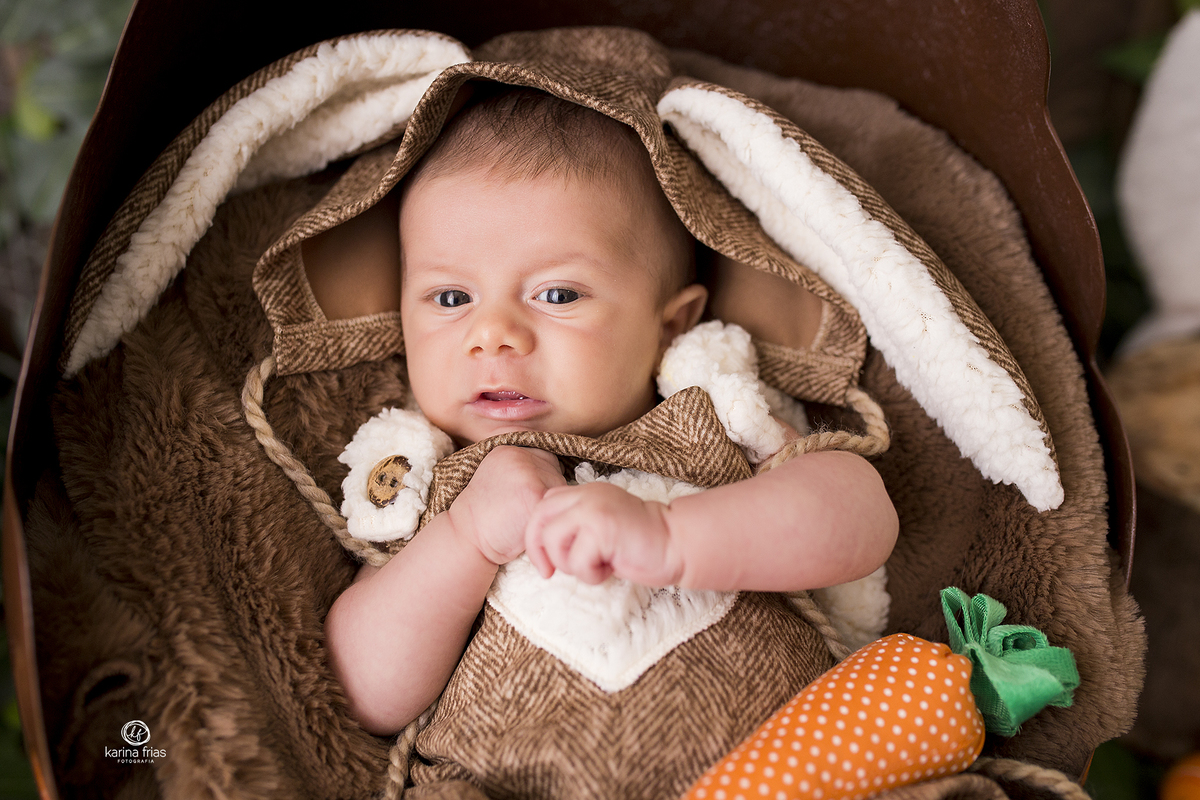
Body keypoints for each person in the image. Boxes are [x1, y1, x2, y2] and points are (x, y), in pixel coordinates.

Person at [323, 86, 898, 782]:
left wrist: (673, 538)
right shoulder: (427, 483)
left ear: (671, 325)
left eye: (557, 294)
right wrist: (466, 537)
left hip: (775, 775)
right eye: (451, 298)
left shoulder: (711, 418)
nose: (492, 334)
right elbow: (366, 692)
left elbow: (861, 519)